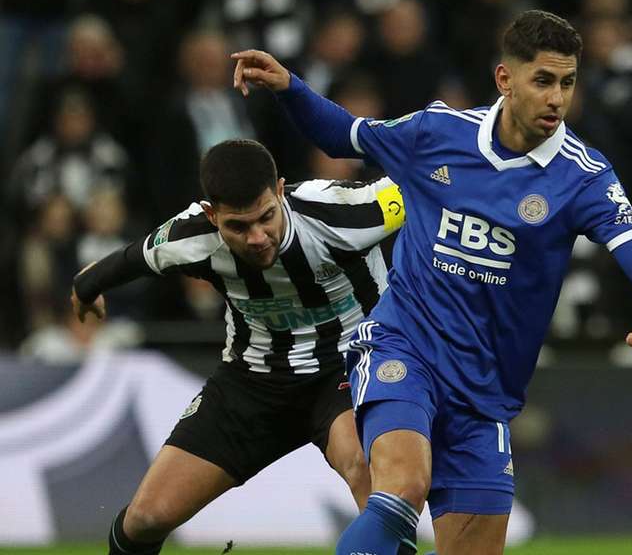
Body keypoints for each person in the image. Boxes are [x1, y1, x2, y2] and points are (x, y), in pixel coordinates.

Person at [233, 9, 632, 555]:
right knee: (403, 486)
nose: (556, 99)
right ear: (505, 79)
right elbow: (343, 136)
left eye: (567, 83)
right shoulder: (438, 132)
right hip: (405, 346)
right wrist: (290, 87)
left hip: (484, 394)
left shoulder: (584, 176)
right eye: (542, 80)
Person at [70, 138, 405, 555]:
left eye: (266, 217)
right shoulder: (192, 236)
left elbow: (438, 184)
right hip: (251, 381)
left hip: (350, 366)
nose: (258, 237)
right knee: (145, 518)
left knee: (363, 466)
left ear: (280, 191)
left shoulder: (344, 209)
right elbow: (131, 259)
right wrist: (87, 288)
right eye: (238, 227)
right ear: (212, 215)